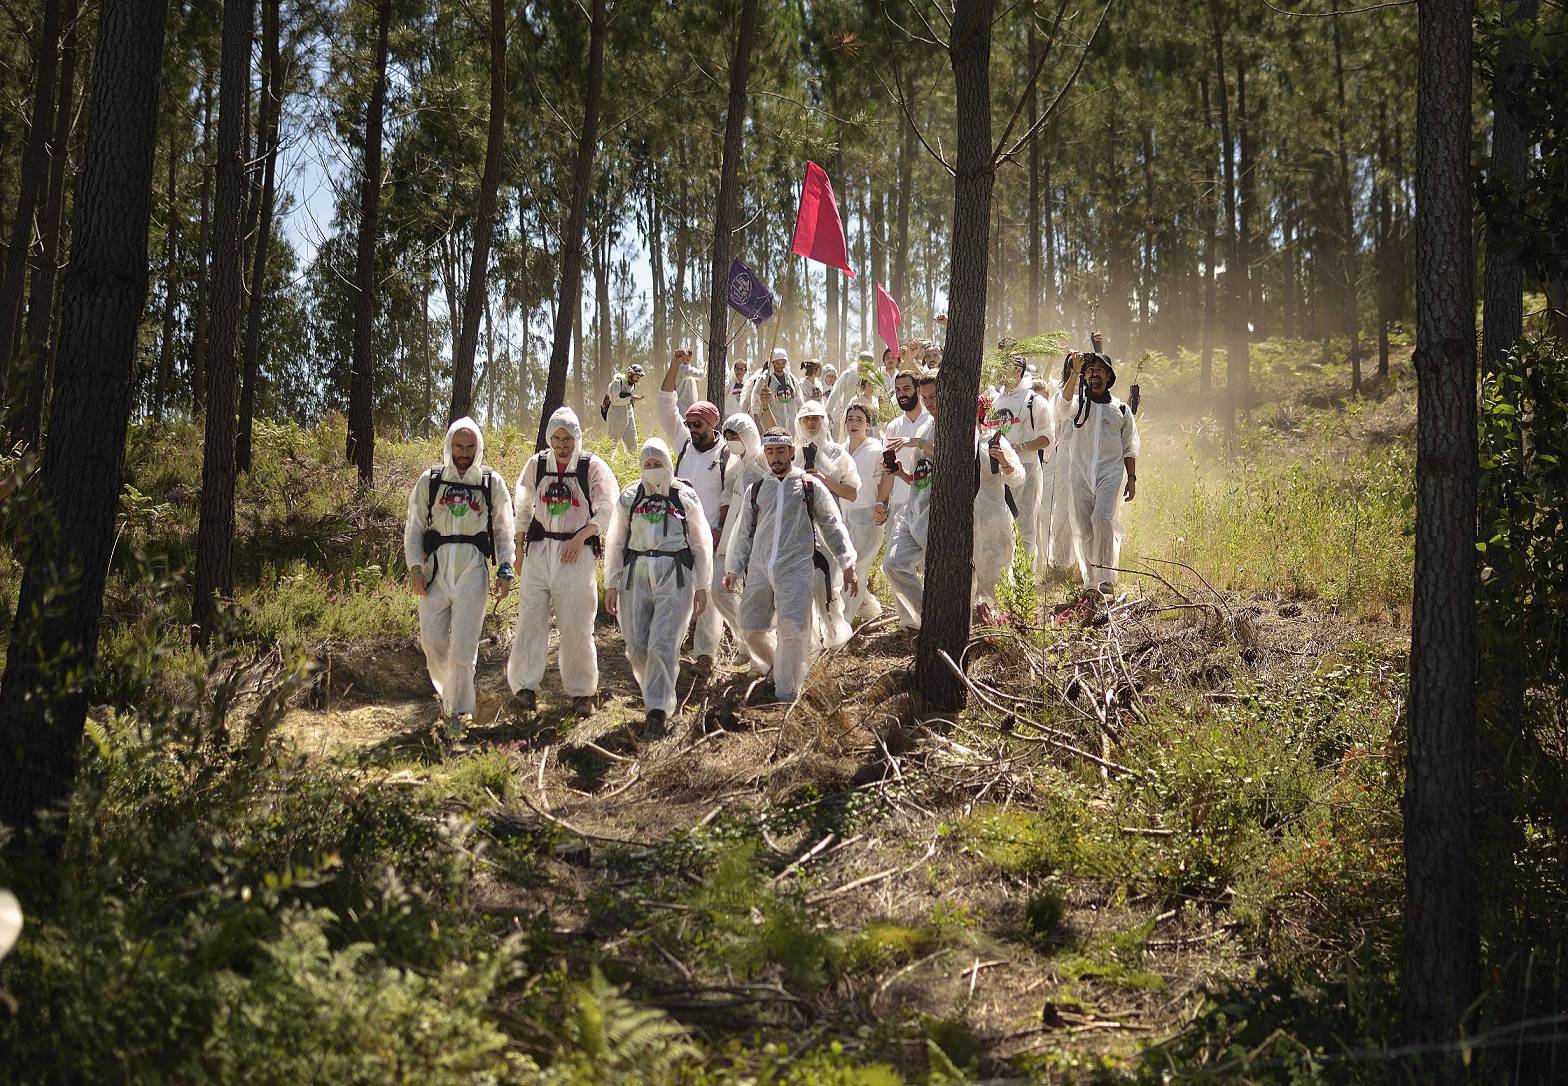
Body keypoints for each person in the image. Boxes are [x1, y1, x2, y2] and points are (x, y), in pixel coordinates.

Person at [723, 428, 858, 704]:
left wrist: (847, 564)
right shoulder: (757, 489)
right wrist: (734, 568)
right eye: (770, 452)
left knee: (794, 629)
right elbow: (744, 534)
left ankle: (786, 693)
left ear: (792, 452)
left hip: (796, 569)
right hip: (760, 569)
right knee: (749, 627)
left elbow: (833, 527)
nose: (775, 457)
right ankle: (776, 666)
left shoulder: (810, 487)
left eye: (780, 451)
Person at [404, 417, 517, 739]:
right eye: (459, 446)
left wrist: (505, 568)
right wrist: (415, 568)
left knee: (464, 648)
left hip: (473, 571)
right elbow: (413, 527)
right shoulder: (431, 480)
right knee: (434, 643)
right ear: (449, 446)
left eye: (470, 447)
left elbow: (504, 529)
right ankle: (448, 696)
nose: (464, 453)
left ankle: (460, 715)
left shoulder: (490, 482)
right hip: (436, 570)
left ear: (478, 447)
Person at [509, 407, 619, 717]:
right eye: (556, 438)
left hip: (575, 554)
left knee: (575, 625)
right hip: (539, 552)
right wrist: (518, 549)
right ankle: (525, 687)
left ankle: (582, 692)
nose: (561, 444)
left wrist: (582, 536)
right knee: (530, 621)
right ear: (549, 438)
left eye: (567, 438)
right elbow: (524, 507)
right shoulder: (537, 464)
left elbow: (607, 509)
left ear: (577, 437)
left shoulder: (592, 466)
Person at [604, 438, 713, 737]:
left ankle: (657, 711)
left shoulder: (683, 496)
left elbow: (701, 542)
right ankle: (654, 690)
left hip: (674, 575)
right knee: (638, 646)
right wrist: (611, 583)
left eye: (658, 464)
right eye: (647, 464)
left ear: (668, 464)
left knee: (662, 644)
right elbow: (614, 542)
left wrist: (702, 585)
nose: (653, 469)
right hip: (635, 575)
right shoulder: (630, 497)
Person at [658, 348, 729, 674]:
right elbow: (665, 403)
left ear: (713, 425)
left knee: (710, 596)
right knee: (677, 591)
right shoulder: (684, 443)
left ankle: (705, 656)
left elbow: (731, 497)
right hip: (678, 531)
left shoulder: (728, 454)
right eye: (689, 423)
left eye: (698, 424)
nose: (692, 428)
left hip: (712, 535)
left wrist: (720, 532)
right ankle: (670, 649)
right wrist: (674, 365)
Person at [1060, 349, 1139, 593]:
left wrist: (1132, 478)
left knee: (1102, 518)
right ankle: (1091, 577)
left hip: (1110, 473)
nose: (1095, 374)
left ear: (1109, 376)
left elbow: (1130, 446)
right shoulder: (1077, 405)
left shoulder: (1121, 410)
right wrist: (1075, 370)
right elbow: (1063, 406)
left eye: (1100, 370)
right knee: (1084, 527)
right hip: (1079, 473)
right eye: (1090, 370)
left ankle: (1105, 579)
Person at [794, 399, 860, 647]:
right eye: (806, 418)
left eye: (816, 418)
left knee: (828, 588)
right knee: (801, 588)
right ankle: (807, 644)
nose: (811, 423)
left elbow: (852, 493)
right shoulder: (793, 453)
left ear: (824, 421)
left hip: (829, 530)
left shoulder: (838, 455)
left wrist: (824, 480)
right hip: (798, 531)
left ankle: (834, 639)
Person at [880, 373, 938, 629]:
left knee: (938, 570)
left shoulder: (950, 423)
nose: (928, 402)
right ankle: (928, 615)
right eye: (925, 398)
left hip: (937, 512)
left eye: (932, 396)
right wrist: (899, 473)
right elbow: (920, 476)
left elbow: (953, 458)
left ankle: (951, 619)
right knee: (892, 564)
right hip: (910, 508)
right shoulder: (908, 427)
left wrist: (915, 442)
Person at [986, 355, 1054, 572]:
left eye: (1005, 367)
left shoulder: (1034, 401)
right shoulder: (996, 401)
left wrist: (1020, 447)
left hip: (1027, 468)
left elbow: (1048, 438)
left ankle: (1025, 578)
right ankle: (1004, 577)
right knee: (1002, 525)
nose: (1001, 371)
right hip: (998, 472)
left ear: (1018, 371)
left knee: (1024, 526)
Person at [713, 412, 770, 659]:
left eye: (734, 436)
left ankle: (758, 646)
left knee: (754, 592)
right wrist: (722, 526)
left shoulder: (763, 460)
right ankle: (744, 639)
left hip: (760, 533)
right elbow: (726, 495)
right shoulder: (734, 464)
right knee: (719, 589)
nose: (729, 441)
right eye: (726, 436)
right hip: (734, 534)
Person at [973, 395, 1025, 609]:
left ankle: (1004, 623)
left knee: (998, 576)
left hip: (994, 519)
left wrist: (1004, 461)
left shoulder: (993, 440)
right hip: (965, 523)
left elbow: (1018, 477)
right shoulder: (951, 441)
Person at [841, 402, 888, 623]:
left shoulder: (876, 449)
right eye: (850, 419)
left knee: (857, 567)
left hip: (868, 517)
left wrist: (882, 505)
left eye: (859, 419)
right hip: (844, 518)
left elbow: (887, 480)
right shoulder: (839, 450)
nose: (854, 423)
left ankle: (844, 622)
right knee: (845, 567)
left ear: (868, 425)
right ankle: (871, 610)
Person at [751, 347, 800, 431]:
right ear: (772, 363)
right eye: (778, 363)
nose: (781, 366)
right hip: (771, 425)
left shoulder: (791, 380)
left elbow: (799, 401)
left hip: (790, 427)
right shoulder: (765, 379)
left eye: (783, 363)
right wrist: (757, 422)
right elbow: (756, 402)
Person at [604, 364, 645, 452]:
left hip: (628, 416)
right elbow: (615, 400)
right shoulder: (617, 381)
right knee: (611, 444)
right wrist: (631, 399)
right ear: (630, 374)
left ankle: (632, 464)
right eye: (636, 377)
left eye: (638, 378)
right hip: (615, 417)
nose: (637, 380)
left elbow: (628, 400)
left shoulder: (632, 385)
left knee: (633, 443)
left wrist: (631, 399)